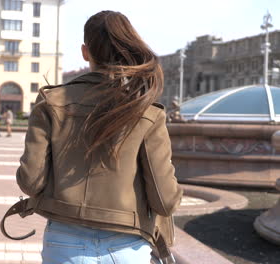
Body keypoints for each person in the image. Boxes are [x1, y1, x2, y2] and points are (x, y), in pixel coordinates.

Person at [12, 11, 183, 264]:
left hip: (64, 240)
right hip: (128, 244)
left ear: (85, 52)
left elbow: (30, 182)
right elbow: (165, 200)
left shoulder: (51, 102)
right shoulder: (146, 111)